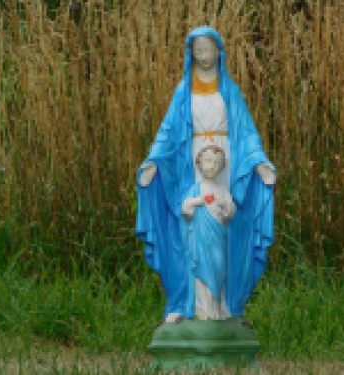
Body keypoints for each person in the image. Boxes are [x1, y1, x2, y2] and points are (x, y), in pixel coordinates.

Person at [135, 26, 276, 325]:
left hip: (225, 161)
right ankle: (188, 302)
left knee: (225, 224)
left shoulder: (230, 90)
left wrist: (259, 162)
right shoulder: (183, 91)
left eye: (207, 49)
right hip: (192, 160)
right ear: (191, 55)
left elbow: (246, 132)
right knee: (190, 227)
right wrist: (154, 161)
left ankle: (226, 303)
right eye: (196, 51)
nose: (202, 56)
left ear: (219, 52)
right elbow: (169, 130)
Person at [180, 145, 236, 322]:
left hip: (217, 237)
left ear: (221, 167)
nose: (211, 166)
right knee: (201, 270)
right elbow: (185, 208)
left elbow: (230, 212)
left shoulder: (222, 190)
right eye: (208, 161)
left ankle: (217, 306)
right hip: (200, 239)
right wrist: (198, 201)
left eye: (216, 163)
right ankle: (203, 308)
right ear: (200, 163)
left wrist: (224, 204)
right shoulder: (196, 189)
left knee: (218, 269)